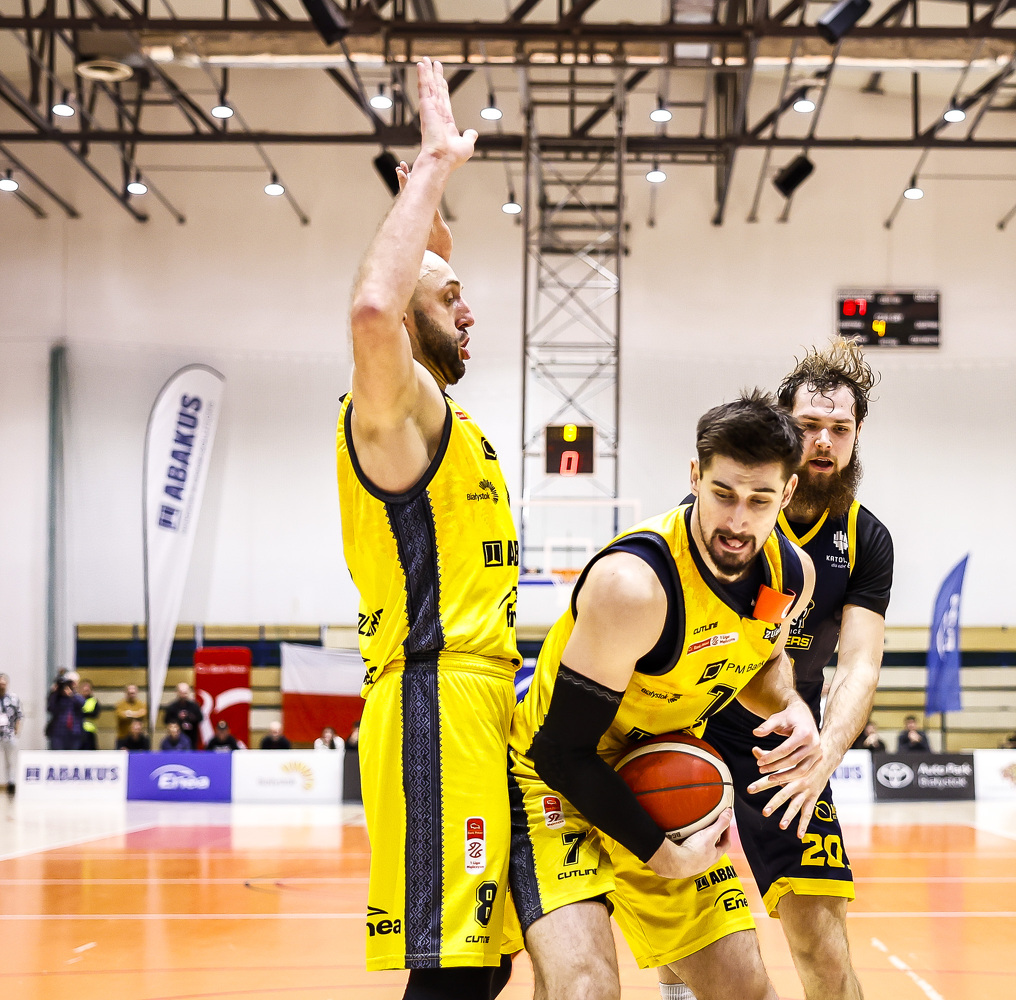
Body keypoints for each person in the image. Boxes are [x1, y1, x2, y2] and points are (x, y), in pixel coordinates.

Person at [506, 392, 820, 1000]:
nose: (737, 521)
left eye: (759, 500)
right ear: (695, 476)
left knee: (747, 989)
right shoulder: (634, 587)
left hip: (659, 777)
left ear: (786, 494)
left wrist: (791, 705)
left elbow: (762, 664)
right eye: (723, 493)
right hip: (553, 784)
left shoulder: (792, 576)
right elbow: (562, 753)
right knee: (586, 990)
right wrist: (661, 855)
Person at [339, 59, 521, 996]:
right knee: (450, 976)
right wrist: (438, 166)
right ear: (410, 328)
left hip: (481, 701)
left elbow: (411, 282)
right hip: (433, 700)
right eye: (449, 298)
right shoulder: (394, 409)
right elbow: (377, 304)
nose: (469, 307)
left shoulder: (448, 418)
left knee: (485, 966)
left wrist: (430, 215)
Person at [671, 340, 892, 1000]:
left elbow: (859, 663)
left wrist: (824, 755)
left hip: (788, 739)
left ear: (856, 436)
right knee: (690, 932)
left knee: (822, 941)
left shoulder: (866, 537)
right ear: (785, 429)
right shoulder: (721, 516)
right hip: (692, 722)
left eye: (840, 429)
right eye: (810, 425)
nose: (824, 441)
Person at [46, 675, 85, 751]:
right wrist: (54, 692)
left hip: (74, 732)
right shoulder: (56, 698)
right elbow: (50, 708)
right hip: (58, 732)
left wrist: (71, 694)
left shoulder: (75, 697)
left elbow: (82, 703)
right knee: (57, 754)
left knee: (73, 755)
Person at [163, 683, 203, 750]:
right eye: (181, 693)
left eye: (185, 693)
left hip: (192, 737)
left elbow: (200, 718)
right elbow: (166, 721)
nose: (183, 695)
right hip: (176, 740)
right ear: (177, 692)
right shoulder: (172, 707)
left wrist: (191, 717)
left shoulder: (194, 706)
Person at [78, 679, 101, 750]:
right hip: (77, 731)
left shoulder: (94, 701)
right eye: (84, 688)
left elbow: (95, 714)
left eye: (88, 689)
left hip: (89, 731)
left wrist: (82, 713)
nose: (86, 690)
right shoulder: (76, 700)